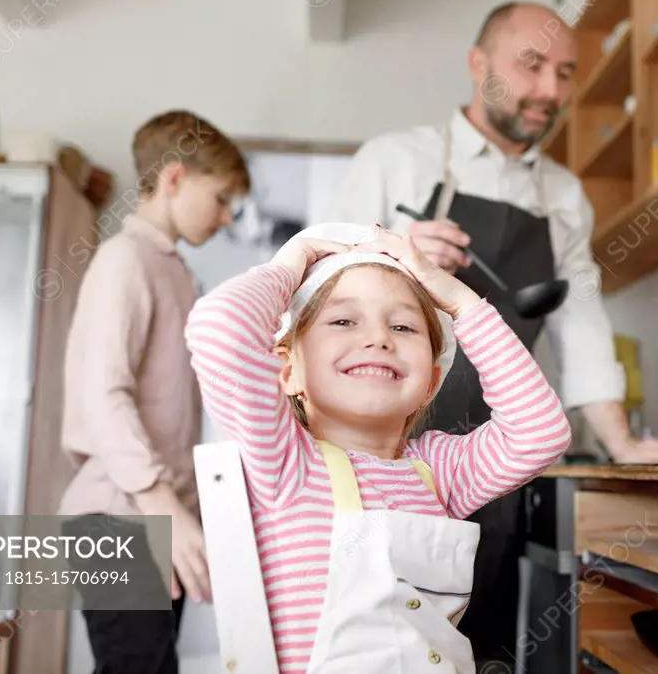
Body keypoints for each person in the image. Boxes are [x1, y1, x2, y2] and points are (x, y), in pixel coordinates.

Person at [321, 1, 658, 669]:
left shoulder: (563, 195)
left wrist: (622, 441)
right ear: (479, 66)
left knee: (483, 637)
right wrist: (389, 252)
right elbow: (312, 287)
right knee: (372, 639)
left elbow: (581, 319)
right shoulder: (396, 161)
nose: (552, 92)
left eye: (565, 73)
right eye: (531, 65)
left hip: (492, 459)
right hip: (380, 455)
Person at [183, 222, 572, 673]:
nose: (378, 338)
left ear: (430, 382)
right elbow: (217, 328)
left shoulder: (436, 472)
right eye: (344, 320)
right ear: (288, 372)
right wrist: (293, 259)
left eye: (404, 325)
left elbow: (540, 433)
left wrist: (462, 303)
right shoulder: (284, 460)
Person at [57, 109, 250, 674]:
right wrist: (161, 504)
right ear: (173, 180)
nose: (227, 215)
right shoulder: (125, 260)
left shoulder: (177, 272)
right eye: (220, 198)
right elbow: (104, 394)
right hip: (123, 512)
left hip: (151, 513)